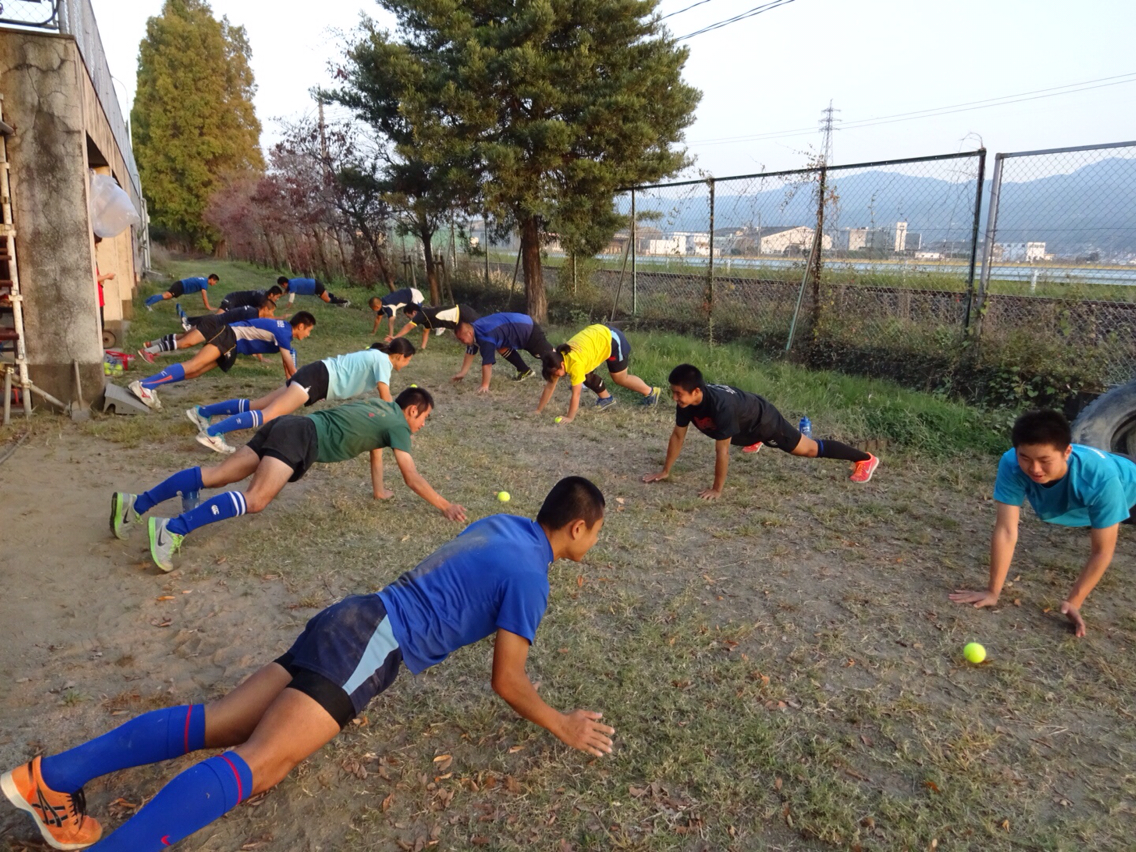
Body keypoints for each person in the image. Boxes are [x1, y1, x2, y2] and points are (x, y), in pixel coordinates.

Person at [5, 477, 611, 851]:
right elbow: (507, 679)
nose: (593, 545)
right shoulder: (533, 576)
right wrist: (563, 723)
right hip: (369, 646)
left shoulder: (503, 525)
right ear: (577, 527)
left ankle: (50, 775)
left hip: (350, 615)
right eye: (596, 535)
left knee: (221, 721)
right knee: (258, 765)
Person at [111, 387, 466, 572]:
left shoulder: (380, 410)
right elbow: (412, 476)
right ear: (412, 410)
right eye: (424, 418)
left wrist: (378, 490)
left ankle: (135, 505)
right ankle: (173, 529)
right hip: (300, 439)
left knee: (216, 476)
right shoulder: (399, 425)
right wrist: (445, 504)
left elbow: (375, 449)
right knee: (256, 500)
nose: (421, 426)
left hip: (289, 425)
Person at [949, 409, 1136, 638]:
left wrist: (1074, 602)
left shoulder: (1100, 481)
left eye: (1045, 460)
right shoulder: (1011, 463)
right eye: (1025, 458)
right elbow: (1007, 530)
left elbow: (1102, 551)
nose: (1034, 469)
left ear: (1067, 451)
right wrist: (992, 591)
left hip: (1129, 486)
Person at [641, 364, 880, 499]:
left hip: (764, 420)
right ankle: (754, 440)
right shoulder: (687, 402)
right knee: (725, 432)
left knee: (808, 449)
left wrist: (716, 489)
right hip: (745, 419)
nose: (674, 397)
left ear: (695, 391)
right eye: (673, 392)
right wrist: (665, 471)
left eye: (678, 393)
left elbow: (722, 452)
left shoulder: (721, 407)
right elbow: (677, 435)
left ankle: (865, 459)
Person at [189, 338, 416, 454]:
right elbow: (385, 396)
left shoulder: (376, 354)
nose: (406, 365)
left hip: (315, 374)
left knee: (258, 404)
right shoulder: (383, 362)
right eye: (408, 360)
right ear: (400, 356)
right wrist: (398, 421)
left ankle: (203, 412)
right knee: (268, 414)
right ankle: (212, 433)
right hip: (316, 380)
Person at [127, 313, 315, 412]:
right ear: (300, 326)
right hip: (229, 336)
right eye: (308, 330)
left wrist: (296, 390)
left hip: (233, 346)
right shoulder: (283, 334)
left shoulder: (284, 334)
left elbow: (288, 370)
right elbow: (290, 368)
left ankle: (151, 386)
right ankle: (145, 384)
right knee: (193, 364)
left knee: (195, 372)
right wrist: (307, 388)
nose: (308, 335)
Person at [538, 323, 660, 420]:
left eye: (555, 373)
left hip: (612, 339)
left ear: (562, 364)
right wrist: (538, 410)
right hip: (597, 336)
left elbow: (576, 394)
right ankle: (606, 399)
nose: (556, 376)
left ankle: (651, 392)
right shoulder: (557, 359)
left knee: (619, 378)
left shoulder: (575, 364)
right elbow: (549, 386)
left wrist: (569, 418)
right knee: (585, 376)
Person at [138, 299, 276, 364]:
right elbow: (251, 336)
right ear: (265, 309)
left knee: (183, 337)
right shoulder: (252, 315)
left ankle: (150, 344)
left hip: (212, 320)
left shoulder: (251, 310)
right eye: (272, 312)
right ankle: (147, 352)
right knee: (185, 343)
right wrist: (261, 358)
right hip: (213, 324)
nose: (272, 315)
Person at [452, 312, 552, 390]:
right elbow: (470, 352)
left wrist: (485, 385)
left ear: (469, 333)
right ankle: (525, 371)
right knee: (501, 347)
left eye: (461, 339)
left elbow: (487, 364)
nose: (462, 342)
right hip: (519, 326)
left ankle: (563, 366)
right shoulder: (474, 330)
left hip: (527, 328)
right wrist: (462, 373)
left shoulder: (485, 337)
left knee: (547, 355)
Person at [385, 301, 478, 350]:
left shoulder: (421, 314)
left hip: (462, 313)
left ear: (414, 312)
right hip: (461, 312)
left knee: (481, 331)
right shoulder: (426, 317)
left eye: (409, 317)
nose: (410, 320)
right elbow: (426, 331)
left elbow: (409, 326)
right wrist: (423, 347)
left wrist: (396, 337)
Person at [144, 274, 219, 312]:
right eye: (215, 282)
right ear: (212, 279)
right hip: (180, 286)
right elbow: (204, 295)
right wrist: (208, 306)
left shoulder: (204, 280)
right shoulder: (204, 283)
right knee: (166, 296)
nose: (215, 283)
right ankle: (147, 304)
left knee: (166, 296)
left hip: (180, 286)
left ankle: (147, 301)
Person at [278, 276, 349, 307]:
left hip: (316, 286)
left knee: (327, 300)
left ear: (284, 284)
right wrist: (276, 297)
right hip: (315, 284)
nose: (282, 287)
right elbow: (284, 293)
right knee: (326, 296)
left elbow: (292, 296)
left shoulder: (292, 284)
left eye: (282, 286)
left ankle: (345, 302)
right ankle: (339, 300)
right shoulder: (290, 283)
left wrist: (289, 305)